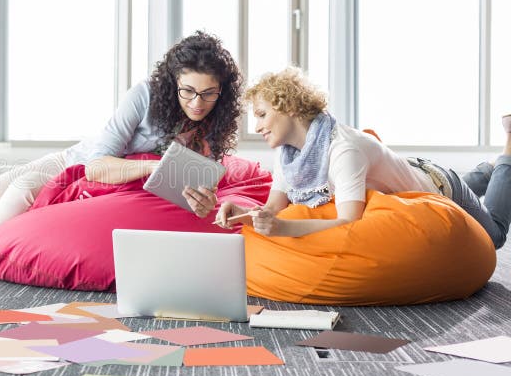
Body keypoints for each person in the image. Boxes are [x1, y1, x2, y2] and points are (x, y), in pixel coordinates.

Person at [0, 31, 244, 273]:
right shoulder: (145, 96)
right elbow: (96, 166)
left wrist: (204, 201)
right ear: (173, 83)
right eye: (188, 91)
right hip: (73, 163)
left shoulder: (213, 125)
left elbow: (200, 189)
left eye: (208, 93)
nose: (197, 103)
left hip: (100, 194)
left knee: (21, 192)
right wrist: (153, 165)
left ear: (221, 92)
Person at [216, 67, 511, 250]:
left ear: (290, 107)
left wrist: (283, 229)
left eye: (262, 115)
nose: (256, 127)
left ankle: (506, 156)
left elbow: (348, 222)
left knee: (494, 237)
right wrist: (241, 212)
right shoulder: (289, 155)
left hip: (441, 188)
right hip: (411, 172)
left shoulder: (343, 149)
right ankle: (487, 172)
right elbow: (272, 209)